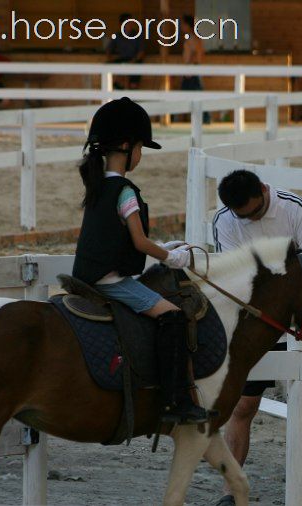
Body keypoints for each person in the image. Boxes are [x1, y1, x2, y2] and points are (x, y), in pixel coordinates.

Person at [72, 97, 207, 424]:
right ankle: (175, 402)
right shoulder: (125, 191)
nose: (141, 156)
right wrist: (171, 257)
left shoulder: (98, 184)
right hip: (111, 281)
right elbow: (139, 241)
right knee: (173, 315)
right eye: (140, 149)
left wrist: (163, 246)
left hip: (90, 273)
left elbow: (115, 237)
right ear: (125, 146)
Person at [212, 169, 302, 506]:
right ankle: (230, 492)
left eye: (255, 211)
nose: (249, 219)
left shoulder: (293, 207)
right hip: (255, 319)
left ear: (264, 191)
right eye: (243, 216)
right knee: (243, 404)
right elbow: (234, 276)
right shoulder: (224, 220)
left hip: (300, 315)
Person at [180, 15, 210, 123]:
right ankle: (180, 118)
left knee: (197, 93)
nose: (181, 27)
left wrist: (191, 66)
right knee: (185, 94)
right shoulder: (189, 38)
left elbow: (198, 54)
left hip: (192, 70)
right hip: (189, 70)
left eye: (183, 24)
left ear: (188, 25)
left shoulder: (194, 38)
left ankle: (206, 118)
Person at [106, 13, 145, 90]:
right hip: (123, 59)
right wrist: (110, 59)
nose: (130, 25)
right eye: (128, 23)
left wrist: (133, 61)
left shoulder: (137, 35)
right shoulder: (117, 36)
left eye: (131, 22)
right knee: (107, 67)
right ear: (122, 24)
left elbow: (141, 52)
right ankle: (117, 85)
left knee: (133, 82)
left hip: (135, 60)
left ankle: (132, 91)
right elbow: (109, 49)